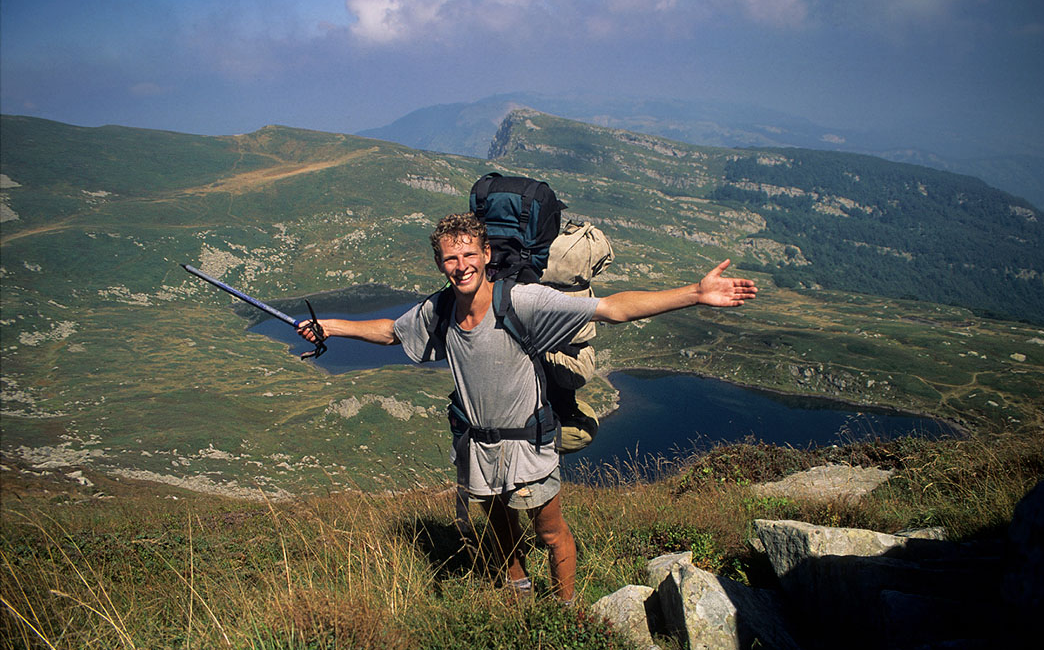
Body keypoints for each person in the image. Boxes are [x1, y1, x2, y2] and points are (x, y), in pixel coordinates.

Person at [297, 212, 757, 604]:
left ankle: (567, 611)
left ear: (486, 254)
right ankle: (519, 595)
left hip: (527, 443)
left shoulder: (522, 301)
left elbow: (611, 309)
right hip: (478, 443)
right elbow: (391, 332)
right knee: (499, 529)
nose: (461, 266)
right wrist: (331, 328)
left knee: (550, 531)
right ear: (440, 262)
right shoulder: (439, 310)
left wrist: (695, 294)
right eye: (450, 258)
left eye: (469, 254)